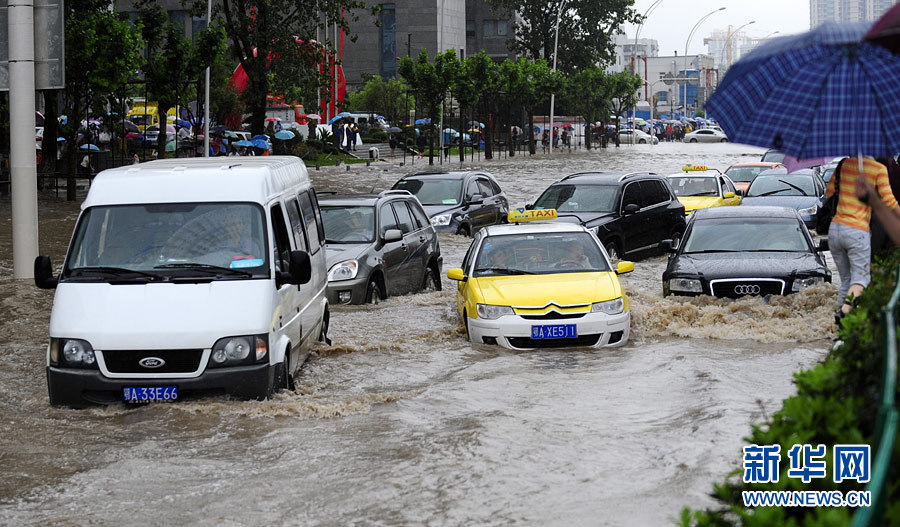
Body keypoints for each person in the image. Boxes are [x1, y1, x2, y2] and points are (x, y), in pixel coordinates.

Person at [828, 156, 899, 321]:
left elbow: (829, 193)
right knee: (861, 279)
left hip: (835, 229)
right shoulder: (879, 169)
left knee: (846, 281)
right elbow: (889, 201)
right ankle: (844, 314)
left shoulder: (843, 165)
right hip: (857, 230)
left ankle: (838, 323)